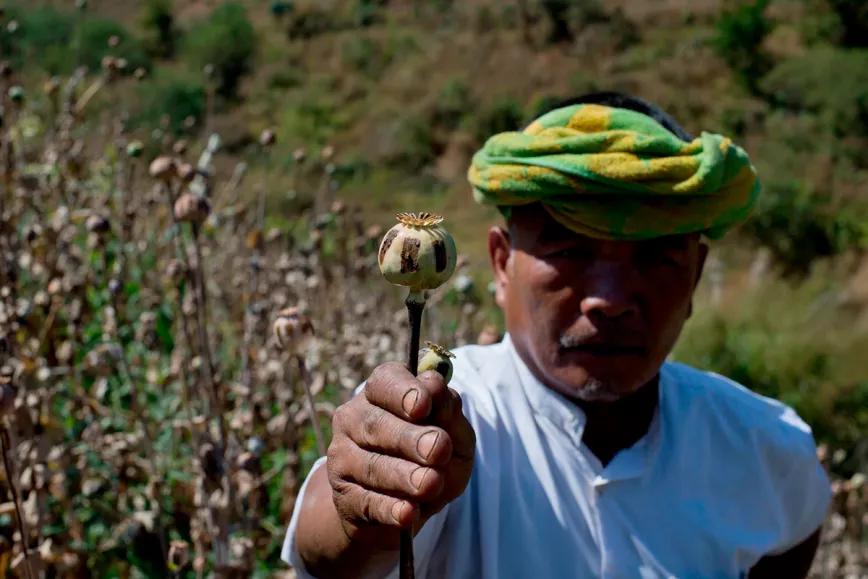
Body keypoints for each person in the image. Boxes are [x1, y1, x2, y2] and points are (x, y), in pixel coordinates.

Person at [281, 92, 831, 578]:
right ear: (501, 264)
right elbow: (328, 550)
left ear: (696, 276)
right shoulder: (439, 416)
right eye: (571, 251)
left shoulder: (767, 449)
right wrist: (363, 513)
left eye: (655, 257)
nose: (609, 300)